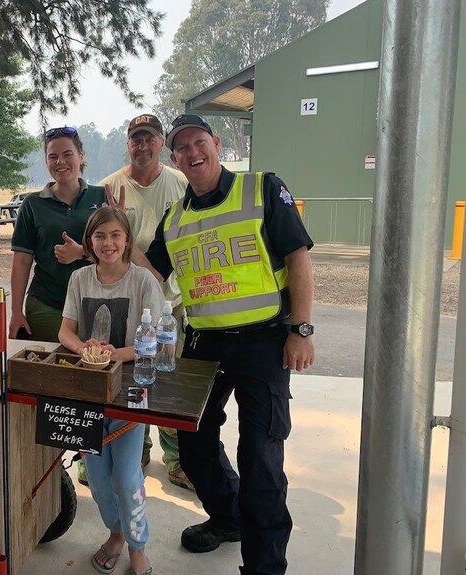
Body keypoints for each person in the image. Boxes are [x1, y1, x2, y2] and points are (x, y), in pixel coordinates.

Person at [128, 113, 315, 575]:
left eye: (199, 143)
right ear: (175, 158)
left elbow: (298, 258)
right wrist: (116, 233)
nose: (193, 153)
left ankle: (265, 567)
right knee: (193, 445)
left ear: (215, 142)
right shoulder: (175, 219)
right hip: (204, 343)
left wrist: (302, 329)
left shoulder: (262, 190)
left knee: (261, 459)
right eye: (183, 148)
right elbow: (153, 275)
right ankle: (228, 517)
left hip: (264, 343)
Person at [58, 206, 164, 575]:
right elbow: (65, 331)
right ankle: (115, 533)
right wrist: (84, 350)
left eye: (115, 235)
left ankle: (138, 545)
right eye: (100, 236)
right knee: (98, 477)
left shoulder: (143, 282)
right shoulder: (80, 279)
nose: (108, 243)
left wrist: (114, 354)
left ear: (127, 239)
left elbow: (152, 340)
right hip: (89, 391)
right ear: (89, 242)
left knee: (127, 476)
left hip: (129, 391)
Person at [98, 113, 192, 491]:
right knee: (131, 379)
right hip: (131, 301)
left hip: (173, 303)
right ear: (128, 144)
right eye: (136, 139)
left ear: (161, 143)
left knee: (169, 380)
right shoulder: (109, 187)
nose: (143, 145)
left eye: (150, 138)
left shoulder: (181, 183)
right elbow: (104, 247)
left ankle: (177, 458)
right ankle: (136, 446)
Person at [8, 126, 106, 341]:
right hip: (46, 305)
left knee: (94, 367)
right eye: (53, 156)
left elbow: (116, 252)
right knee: (48, 370)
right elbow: (22, 261)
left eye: (67, 154)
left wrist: (81, 252)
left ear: (81, 157)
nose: (60, 161)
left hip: (96, 305)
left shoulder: (102, 197)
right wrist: (16, 311)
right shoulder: (32, 204)